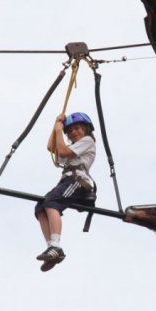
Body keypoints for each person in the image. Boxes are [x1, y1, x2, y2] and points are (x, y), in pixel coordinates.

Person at [34, 112, 96, 272]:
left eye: (77, 128)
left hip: (78, 181)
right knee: (40, 207)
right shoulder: (72, 147)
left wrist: (59, 130)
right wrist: (56, 126)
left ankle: (56, 246)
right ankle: (51, 248)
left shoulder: (87, 141)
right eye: (70, 131)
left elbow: (62, 152)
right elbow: (51, 147)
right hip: (67, 181)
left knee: (52, 203)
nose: (74, 132)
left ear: (86, 129)